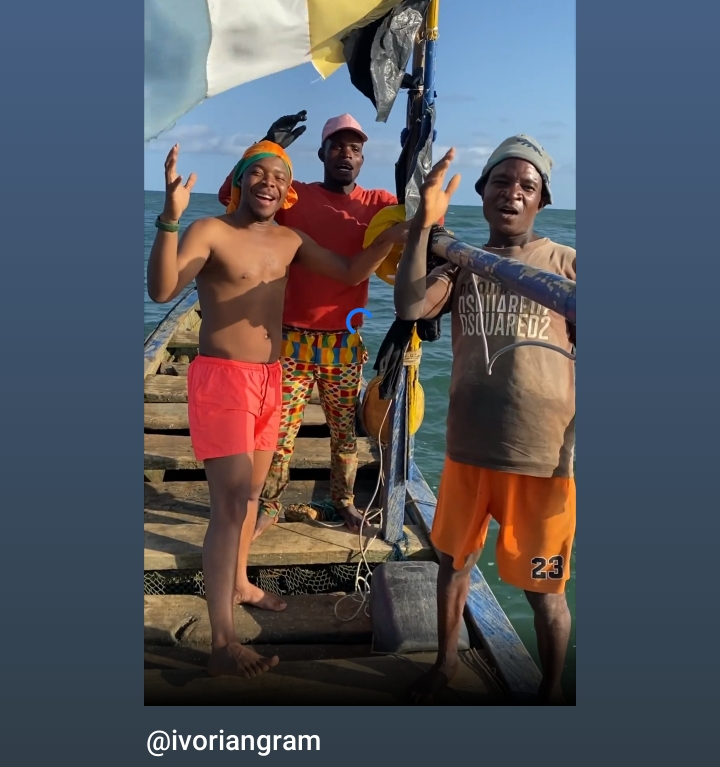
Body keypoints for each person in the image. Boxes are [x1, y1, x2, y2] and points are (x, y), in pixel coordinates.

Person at [148, 141, 407, 678]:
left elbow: (348, 271)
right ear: (240, 180)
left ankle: (241, 582)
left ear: (289, 192)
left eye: (280, 176)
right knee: (229, 507)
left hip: (272, 378)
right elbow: (162, 289)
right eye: (258, 172)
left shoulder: (291, 240)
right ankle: (223, 643)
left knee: (252, 497)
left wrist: (397, 235)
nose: (269, 182)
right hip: (224, 380)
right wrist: (170, 219)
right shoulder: (210, 231)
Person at [393, 136, 576, 705]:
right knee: (454, 564)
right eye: (501, 181)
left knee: (545, 590)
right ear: (482, 190)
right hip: (467, 451)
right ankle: (446, 663)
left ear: (542, 200)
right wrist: (423, 227)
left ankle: (551, 691)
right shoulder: (462, 264)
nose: (512, 193)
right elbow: (410, 307)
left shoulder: (567, 265)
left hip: (542, 461)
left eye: (527, 186)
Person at [218, 114, 398, 534]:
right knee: (278, 430)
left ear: (363, 158)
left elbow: (422, 223)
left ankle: (345, 502)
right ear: (321, 153)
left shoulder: (379, 204)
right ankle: (269, 504)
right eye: (337, 146)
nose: (345, 154)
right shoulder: (294, 197)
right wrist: (266, 145)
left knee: (344, 432)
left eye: (355, 149)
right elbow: (232, 195)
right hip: (290, 337)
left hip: (344, 341)